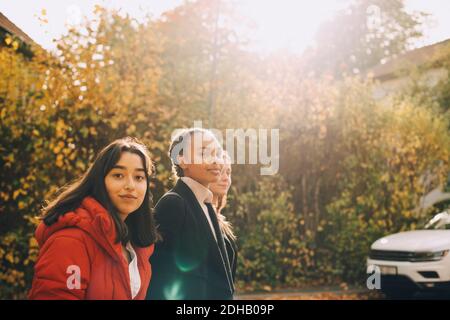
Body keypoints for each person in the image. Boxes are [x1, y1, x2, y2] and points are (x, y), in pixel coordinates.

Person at [29, 137, 159, 300]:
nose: (130, 185)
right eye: (118, 175)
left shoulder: (135, 246)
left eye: (139, 177)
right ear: (100, 181)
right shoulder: (71, 240)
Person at [147, 128, 234, 300]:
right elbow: (160, 279)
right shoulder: (173, 204)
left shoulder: (206, 204)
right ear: (182, 159)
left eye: (217, 153)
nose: (216, 160)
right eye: (204, 152)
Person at [208, 153, 238, 289]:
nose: (226, 178)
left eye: (228, 172)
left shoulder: (219, 218)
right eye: (220, 172)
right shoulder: (199, 213)